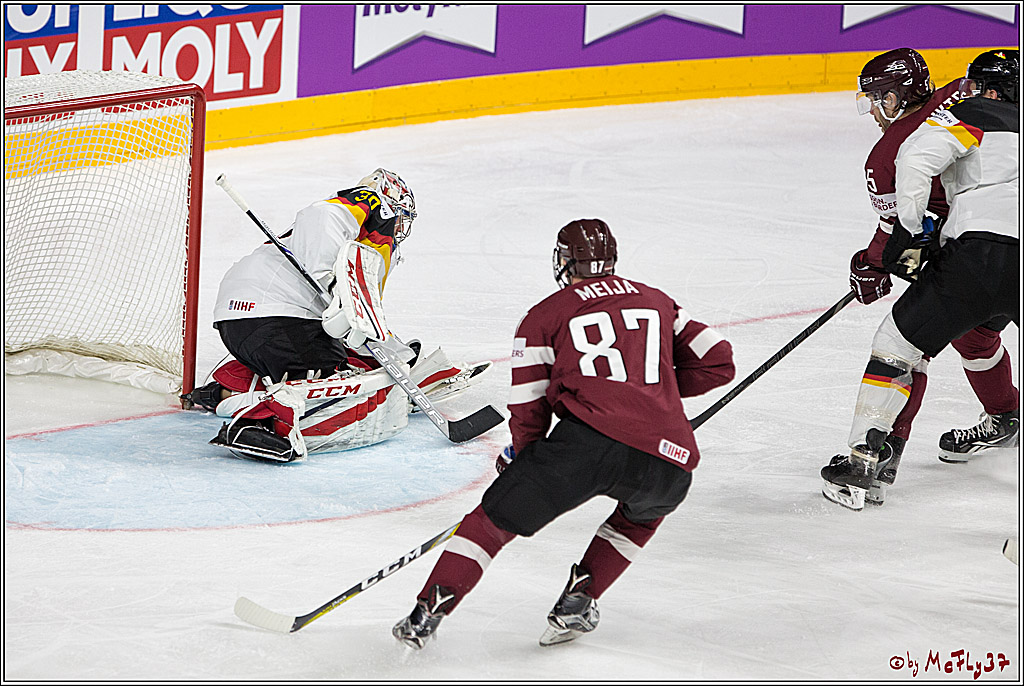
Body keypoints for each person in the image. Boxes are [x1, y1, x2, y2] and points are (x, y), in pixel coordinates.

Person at [391, 219, 735, 649]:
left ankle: (428, 611)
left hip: (584, 447)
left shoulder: (544, 316)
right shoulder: (657, 300)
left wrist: (524, 459)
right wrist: (652, 395)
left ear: (564, 261)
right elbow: (719, 361)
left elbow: (528, 408)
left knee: (490, 522)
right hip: (670, 459)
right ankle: (579, 600)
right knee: (642, 516)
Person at [822, 49, 1019, 511]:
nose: (872, 110)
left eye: (875, 99)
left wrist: (883, 257)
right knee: (976, 338)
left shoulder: (954, 118)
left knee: (903, 345)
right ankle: (1006, 416)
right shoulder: (959, 92)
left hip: (973, 252)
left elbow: (911, 179)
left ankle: (868, 458)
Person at [185, 168, 478, 462]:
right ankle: (260, 424)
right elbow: (321, 216)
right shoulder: (372, 204)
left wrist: (399, 356)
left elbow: (362, 323)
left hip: (243, 321)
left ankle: (224, 393)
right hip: (278, 315)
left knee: (347, 363)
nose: (400, 226)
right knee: (344, 389)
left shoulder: (358, 248)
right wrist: (331, 282)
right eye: (402, 215)